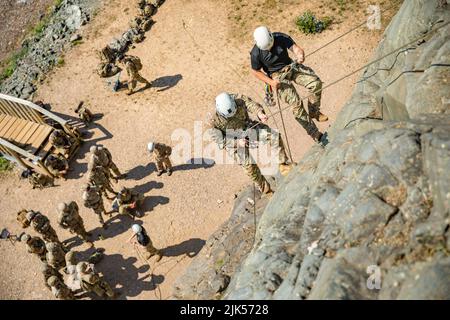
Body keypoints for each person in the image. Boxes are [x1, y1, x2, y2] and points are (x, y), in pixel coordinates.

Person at [250, 26, 328, 142]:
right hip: (276, 76)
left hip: (290, 66)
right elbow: (255, 72)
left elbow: (295, 48)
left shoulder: (280, 37)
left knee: (315, 83)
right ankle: (314, 133)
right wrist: (271, 82)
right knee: (295, 103)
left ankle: (314, 111)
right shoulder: (256, 53)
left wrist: (300, 55)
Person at [207, 92, 292, 194]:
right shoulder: (212, 120)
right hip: (232, 141)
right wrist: (237, 143)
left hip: (247, 128)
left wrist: (260, 113)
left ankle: (283, 165)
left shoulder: (239, 99)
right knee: (249, 166)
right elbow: (220, 141)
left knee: (273, 136)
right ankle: (266, 190)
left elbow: (251, 104)